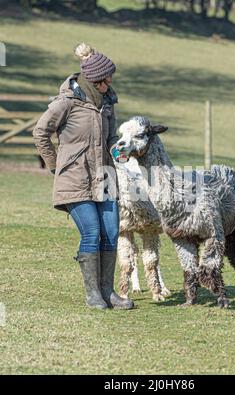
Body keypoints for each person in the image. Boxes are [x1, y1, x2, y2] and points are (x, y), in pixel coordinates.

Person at [33, 42, 133, 310]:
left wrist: (119, 150)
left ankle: (108, 292)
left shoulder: (108, 102)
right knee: (92, 232)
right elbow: (40, 132)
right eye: (107, 77)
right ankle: (93, 295)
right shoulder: (66, 102)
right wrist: (55, 166)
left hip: (106, 178)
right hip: (75, 179)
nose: (111, 81)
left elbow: (111, 136)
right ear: (95, 79)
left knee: (111, 233)